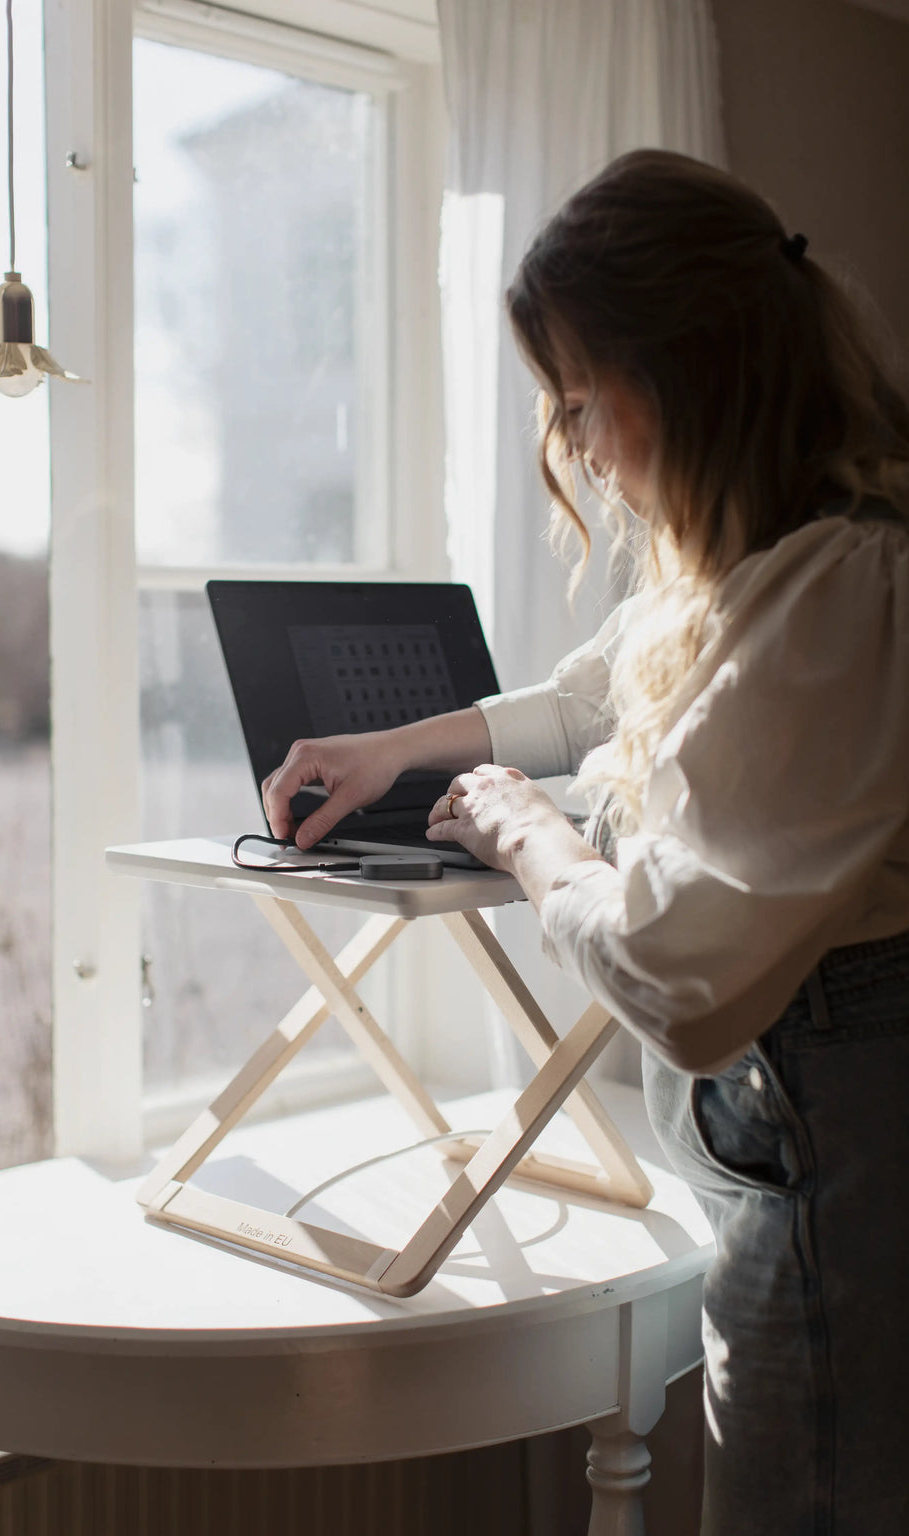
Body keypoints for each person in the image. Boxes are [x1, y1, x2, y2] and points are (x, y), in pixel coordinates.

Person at [261, 150, 909, 1535]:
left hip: (836, 1165)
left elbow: (682, 978)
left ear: (674, 373)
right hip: (791, 1149)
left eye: (575, 400)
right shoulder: (766, 561)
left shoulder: (839, 589)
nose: (580, 451)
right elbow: (588, 694)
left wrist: (527, 832)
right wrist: (404, 747)